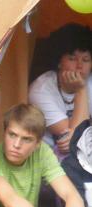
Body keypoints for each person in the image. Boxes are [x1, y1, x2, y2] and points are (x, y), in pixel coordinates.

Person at [28, 23, 92, 159]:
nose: (80, 66)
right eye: (72, 59)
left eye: (86, 60)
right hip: (53, 164)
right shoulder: (41, 90)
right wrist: (80, 90)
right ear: (59, 61)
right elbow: (75, 143)